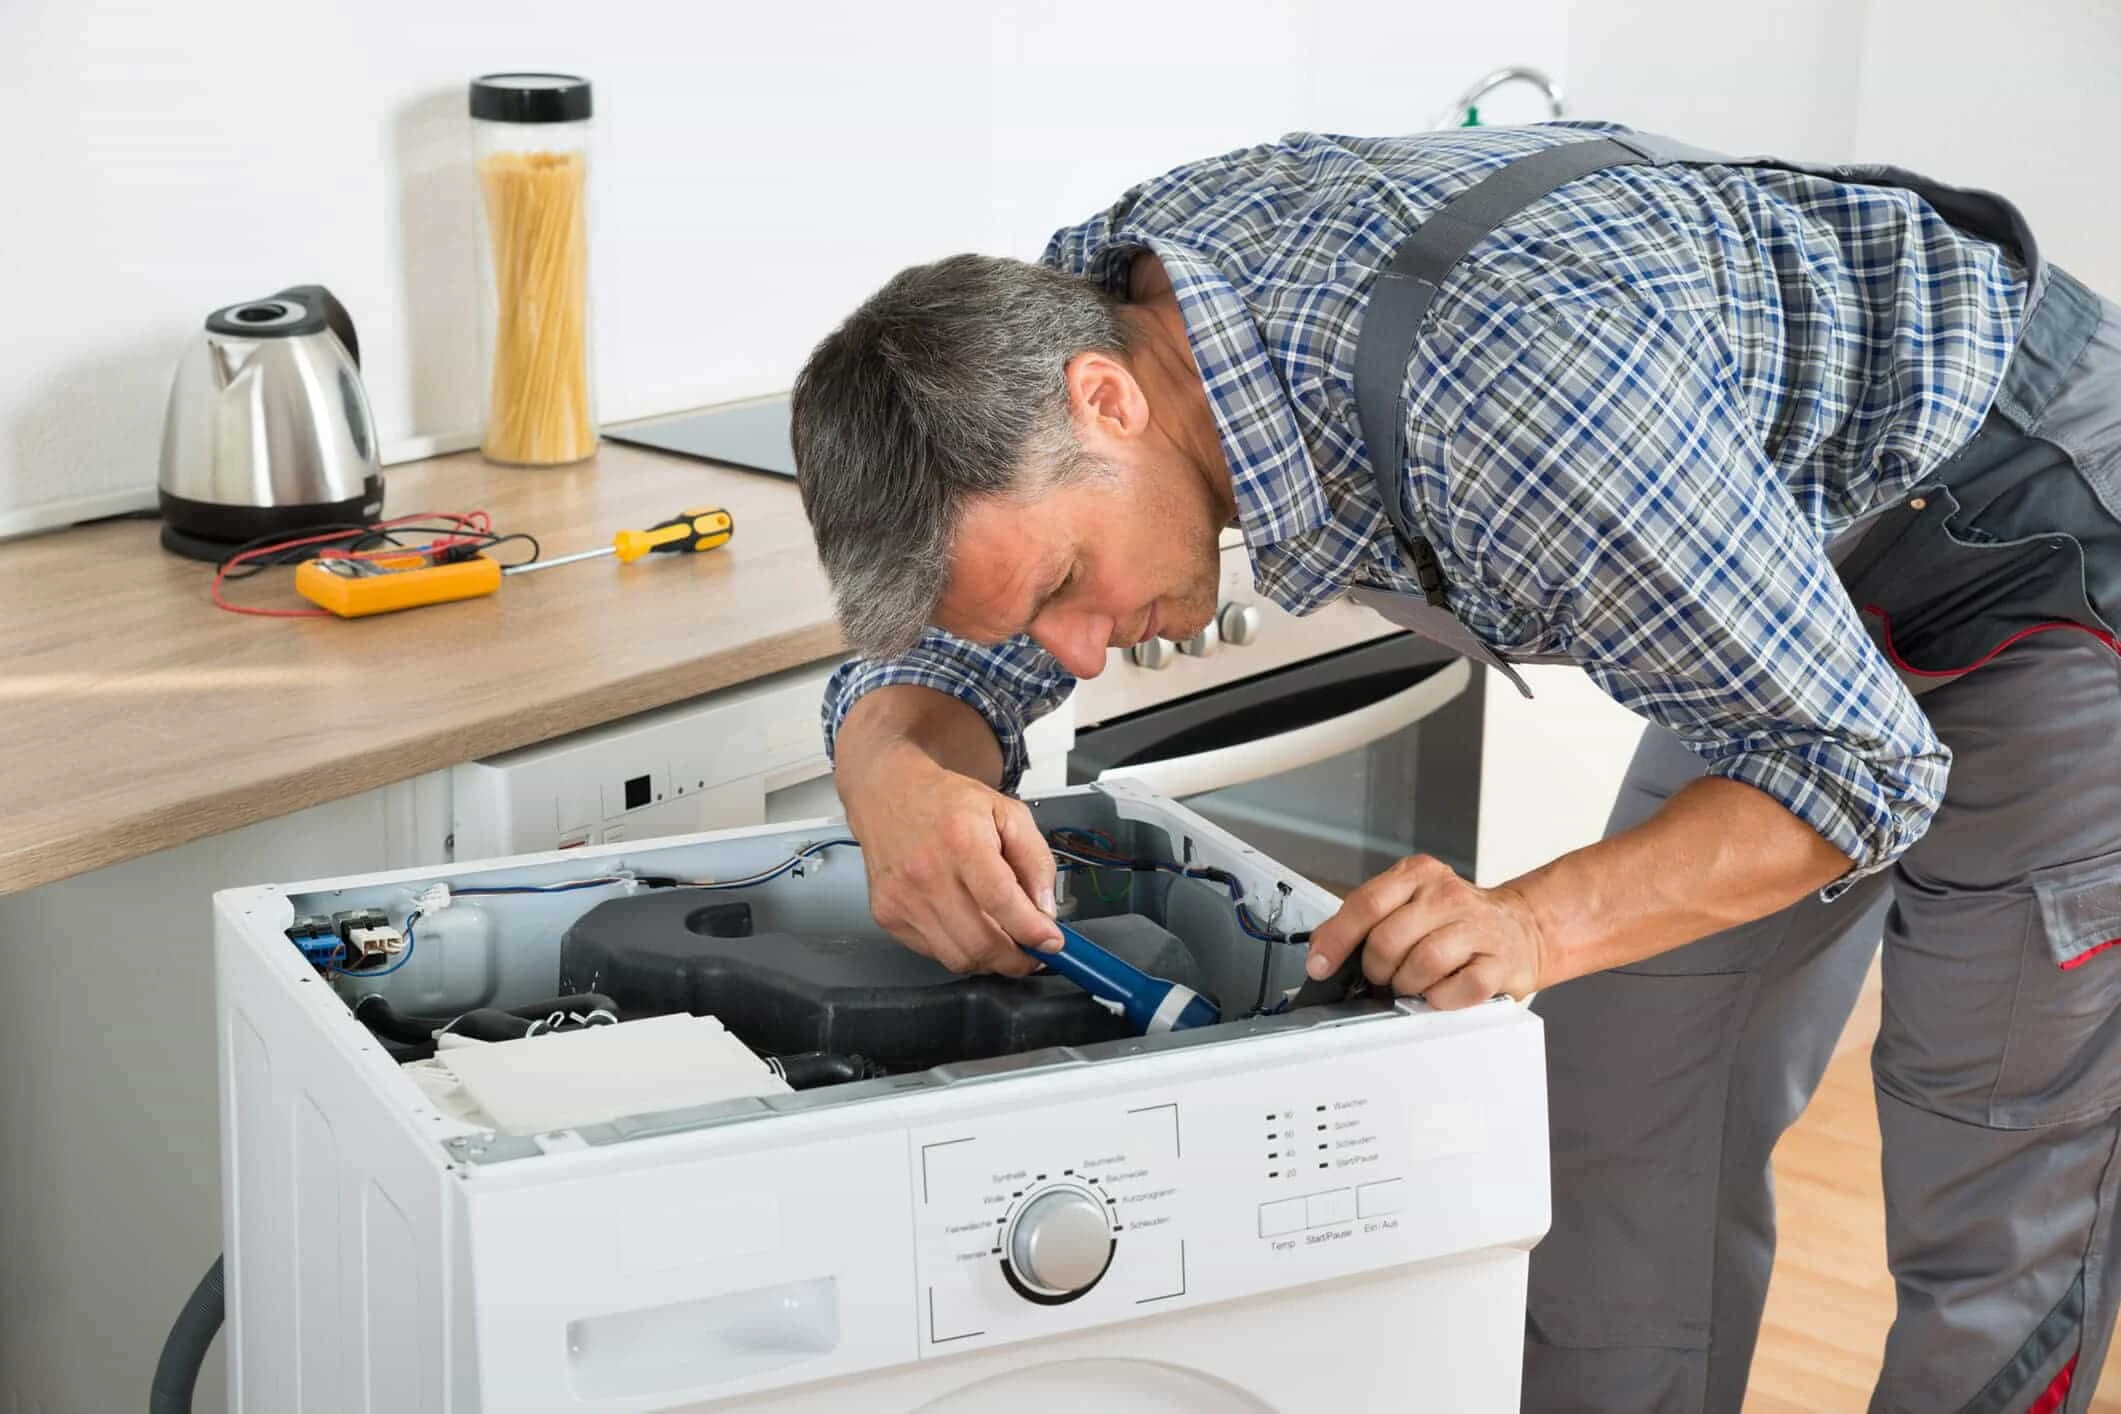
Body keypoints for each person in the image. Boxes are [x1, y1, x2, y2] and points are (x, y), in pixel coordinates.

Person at [786, 118, 2121, 1412]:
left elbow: (1857, 757)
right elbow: (959, 658)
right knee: (1612, 1110)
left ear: (1107, 400)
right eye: (1030, 618)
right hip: (1761, 565)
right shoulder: (1086, 317)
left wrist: (1531, 918)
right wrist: (896, 770)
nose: (1072, 656)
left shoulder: (1505, 397)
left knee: (1994, 1181)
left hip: (2029, 524)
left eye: (1070, 584)